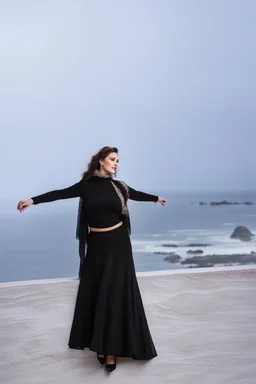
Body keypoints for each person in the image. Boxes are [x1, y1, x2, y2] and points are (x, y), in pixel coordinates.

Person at [17, 146, 167, 373]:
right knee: (98, 293)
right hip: (97, 246)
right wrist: (32, 200)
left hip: (119, 245)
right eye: (112, 159)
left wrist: (156, 198)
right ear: (101, 161)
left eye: (118, 160)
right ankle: (100, 344)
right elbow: (59, 193)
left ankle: (111, 351)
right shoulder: (85, 187)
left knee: (116, 295)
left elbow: (136, 194)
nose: (116, 163)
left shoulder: (120, 187)